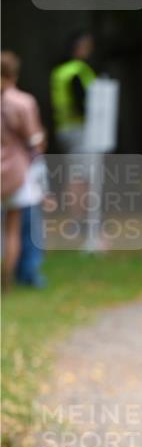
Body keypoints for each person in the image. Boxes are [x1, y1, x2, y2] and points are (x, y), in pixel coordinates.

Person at [1, 51, 46, 289]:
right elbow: (34, 140)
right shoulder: (22, 102)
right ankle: (8, 279)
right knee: (14, 228)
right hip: (16, 172)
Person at [50, 30, 95, 153]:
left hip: (63, 128)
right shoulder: (77, 70)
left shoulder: (60, 71)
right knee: (83, 170)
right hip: (79, 128)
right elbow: (80, 100)